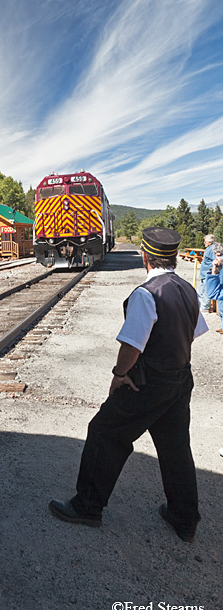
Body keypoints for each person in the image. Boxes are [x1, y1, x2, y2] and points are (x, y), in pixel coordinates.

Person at [49, 227, 208, 542]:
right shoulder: (187, 290)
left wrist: (120, 374)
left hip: (148, 381)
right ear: (174, 258)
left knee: (105, 433)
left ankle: (87, 507)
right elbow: (195, 331)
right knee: (175, 447)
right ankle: (184, 518)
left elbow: (132, 345)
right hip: (180, 379)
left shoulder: (146, 293)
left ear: (146, 257)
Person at [205, 242, 223, 334]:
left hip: (220, 287)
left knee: (222, 309)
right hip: (220, 286)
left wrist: (214, 269)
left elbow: (212, 293)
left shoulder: (218, 261)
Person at [198, 234, 215, 311]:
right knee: (201, 289)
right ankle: (204, 304)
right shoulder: (208, 248)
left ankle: (206, 306)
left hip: (207, 273)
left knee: (205, 290)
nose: (204, 243)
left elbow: (215, 261)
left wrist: (211, 271)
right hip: (204, 273)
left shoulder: (212, 249)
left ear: (210, 242)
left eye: (205, 242)